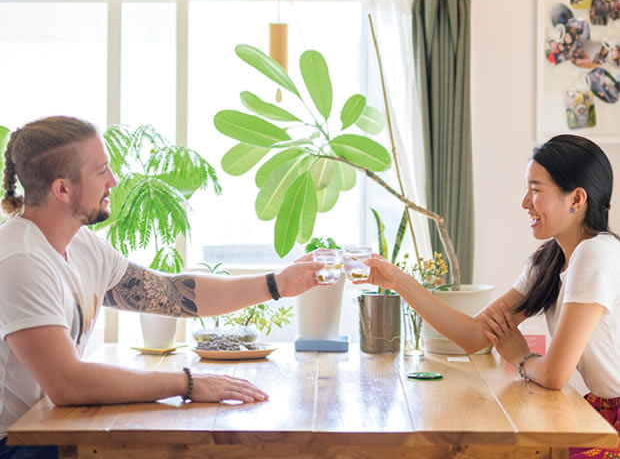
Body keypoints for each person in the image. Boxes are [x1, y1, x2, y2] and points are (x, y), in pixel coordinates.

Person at [0, 116, 324, 459]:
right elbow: (68, 383)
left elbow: (171, 295)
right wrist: (188, 384)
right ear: (62, 189)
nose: (114, 180)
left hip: (53, 429)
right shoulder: (21, 260)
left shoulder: (82, 246)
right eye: (101, 171)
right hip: (16, 443)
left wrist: (276, 284)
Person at [360, 135, 620, 457]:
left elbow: (555, 373)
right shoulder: (551, 260)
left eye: (536, 190)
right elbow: (473, 335)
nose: (525, 202)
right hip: (603, 411)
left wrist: (519, 357)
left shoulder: (595, 255)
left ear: (576, 199)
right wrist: (399, 281)